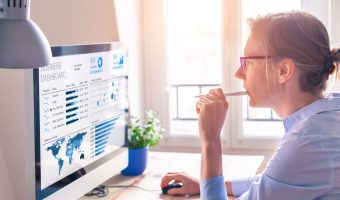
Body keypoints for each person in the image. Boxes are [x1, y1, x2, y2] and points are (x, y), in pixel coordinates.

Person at [160, 10, 340, 199]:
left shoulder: (305, 141)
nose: (238, 73)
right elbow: (273, 181)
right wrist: (206, 185)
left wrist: (211, 141)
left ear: (283, 70)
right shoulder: (328, 115)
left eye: (247, 62)